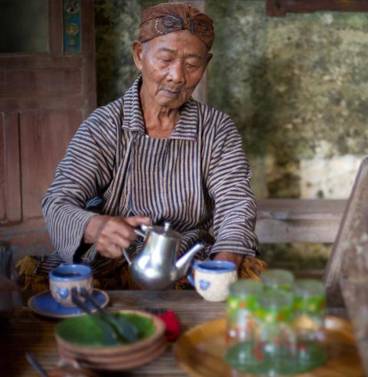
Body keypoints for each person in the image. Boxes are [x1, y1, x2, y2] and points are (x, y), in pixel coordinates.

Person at [18, 3, 264, 291]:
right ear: (139, 55)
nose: (177, 76)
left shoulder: (216, 128)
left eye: (192, 64)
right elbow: (58, 202)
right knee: (57, 288)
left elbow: (235, 204)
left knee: (246, 289)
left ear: (204, 66)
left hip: (187, 258)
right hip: (113, 258)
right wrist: (94, 227)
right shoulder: (105, 125)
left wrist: (222, 268)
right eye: (165, 59)